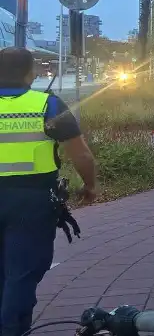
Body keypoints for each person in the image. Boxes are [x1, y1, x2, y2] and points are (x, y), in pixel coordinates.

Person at [0, 47, 97, 336]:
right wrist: (90, 185)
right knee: (23, 271)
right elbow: (81, 155)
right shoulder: (48, 105)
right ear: (31, 73)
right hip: (31, 201)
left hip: (26, 199)